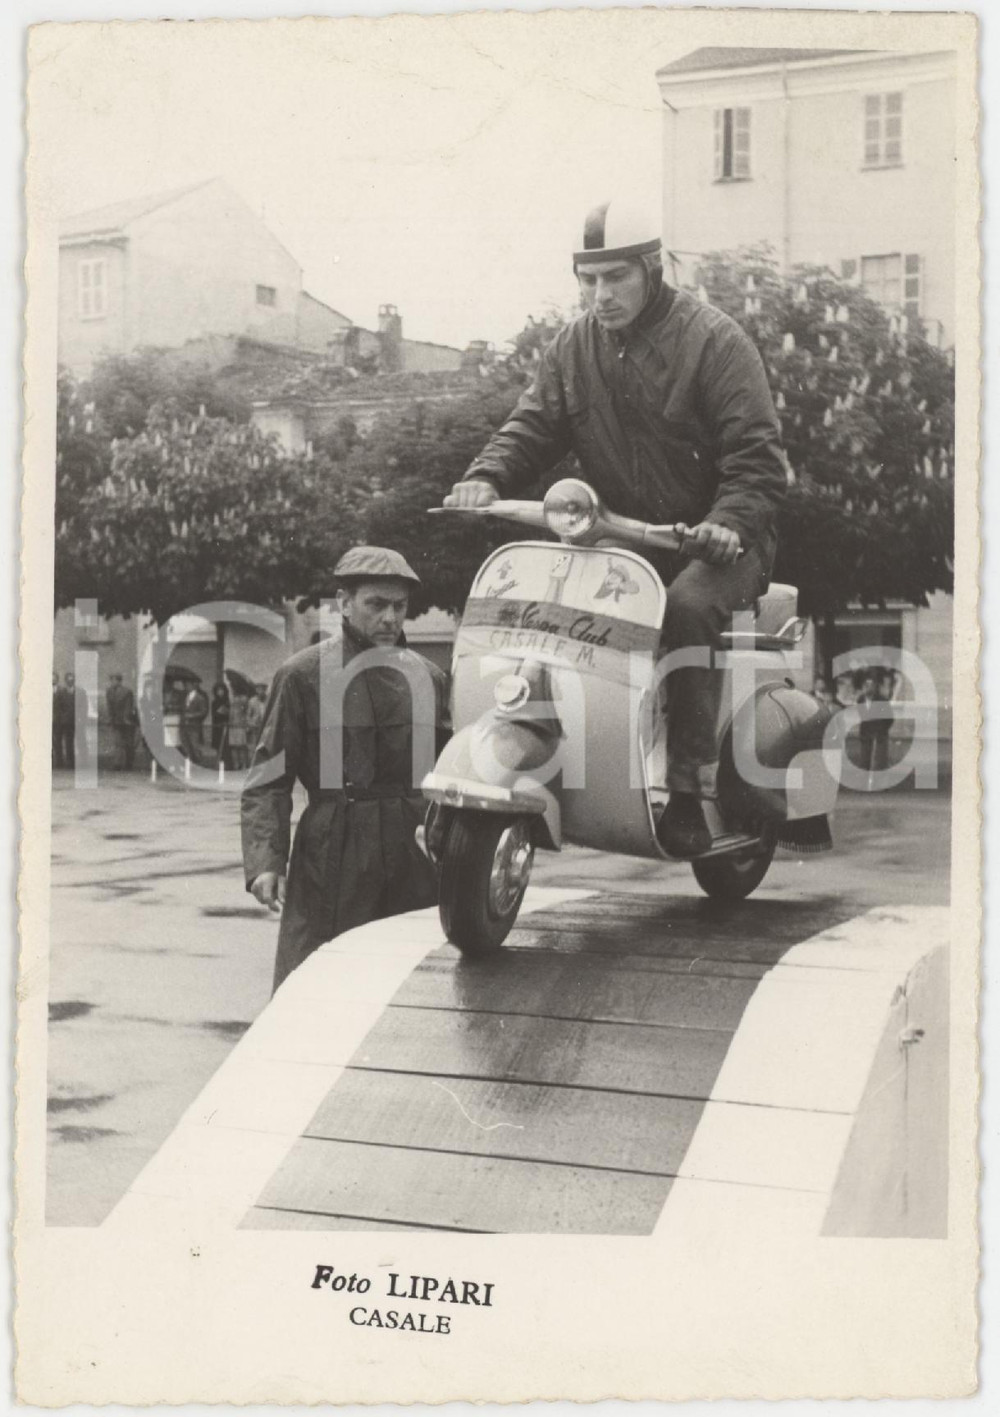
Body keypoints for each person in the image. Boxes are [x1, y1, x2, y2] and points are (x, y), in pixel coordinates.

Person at [445, 198, 788, 856]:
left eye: (615, 278)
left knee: (688, 606)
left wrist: (724, 525)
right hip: (622, 537)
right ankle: (568, 754)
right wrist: (485, 476)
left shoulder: (715, 342)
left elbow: (757, 465)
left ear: (653, 269)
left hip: (720, 542)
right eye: (588, 279)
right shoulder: (574, 346)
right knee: (547, 602)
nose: (599, 296)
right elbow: (533, 423)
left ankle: (688, 788)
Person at [241, 547, 450, 992]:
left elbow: (450, 775)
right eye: (376, 604)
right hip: (334, 851)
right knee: (318, 981)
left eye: (399, 606)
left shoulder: (430, 677)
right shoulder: (302, 675)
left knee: (410, 984)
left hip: (412, 850)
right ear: (344, 602)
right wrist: (266, 861)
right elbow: (269, 778)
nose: (390, 618)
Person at [105, 672, 138, 771]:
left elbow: (128, 707)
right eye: (111, 680)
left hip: (126, 722)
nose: (112, 682)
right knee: (118, 743)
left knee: (128, 744)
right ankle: (118, 764)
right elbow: (109, 707)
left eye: (114, 680)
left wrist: (126, 719)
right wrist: (111, 719)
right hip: (116, 722)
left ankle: (129, 763)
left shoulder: (127, 692)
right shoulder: (109, 692)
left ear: (119, 681)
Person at [181, 681, 210, 762]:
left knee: (195, 746)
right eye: (185, 685)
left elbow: (204, 711)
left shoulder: (200, 698)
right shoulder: (185, 697)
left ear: (192, 685)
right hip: (184, 725)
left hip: (194, 726)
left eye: (187, 685)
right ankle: (189, 764)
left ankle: (199, 764)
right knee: (186, 746)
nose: (185, 687)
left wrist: (192, 715)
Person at [228, 686, 250, 771]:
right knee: (233, 746)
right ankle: (236, 764)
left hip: (240, 725)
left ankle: (244, 764)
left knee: (241, 746)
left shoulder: (244, 698)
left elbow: (246, 711)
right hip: (232, 725)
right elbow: (231, 712)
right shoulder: (232, 698)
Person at [210, 680, 231, 767]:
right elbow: (214, 714)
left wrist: (226, 711)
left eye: (222, 690)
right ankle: (219, 763)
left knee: (226, 746)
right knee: (218, 745)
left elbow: (229, 714)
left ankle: (227, 764)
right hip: (217, 726)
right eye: (218, 690)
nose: (220, 692)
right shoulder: (214, 702)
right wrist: (219, 712)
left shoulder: (228, 701)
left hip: (226, 726)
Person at [246, 683, 267, 758]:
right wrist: (251, 724)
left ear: (265, 690)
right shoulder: (252, 701)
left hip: (265, 727)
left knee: (264, 746)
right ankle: (253, 764)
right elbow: (248, 715)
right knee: (253, 747)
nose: (260, 691)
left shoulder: (268, 700)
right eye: (258, 689)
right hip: (255, 727)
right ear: (256, 690)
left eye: (262, 689)